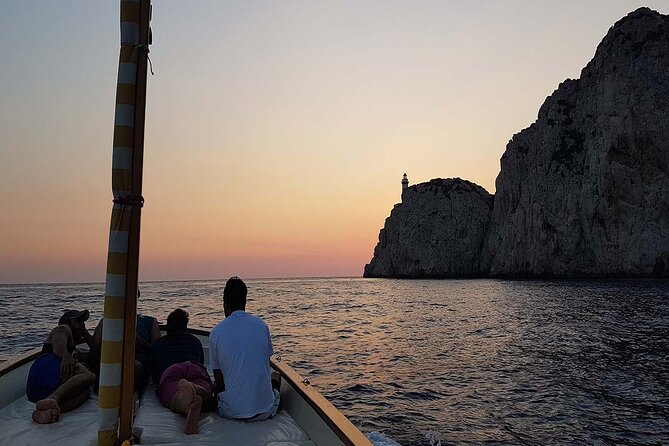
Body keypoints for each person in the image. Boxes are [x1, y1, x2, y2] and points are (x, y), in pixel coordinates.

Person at [209, 277, 280, 421]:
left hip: (231, 412)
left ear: (225, 303)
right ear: (245, 301)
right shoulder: (261, 326)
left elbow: (219, 381)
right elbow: (265, 364)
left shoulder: (216, 332)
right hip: (265, 411)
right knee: (275, 379)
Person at [151, 308, 215, 434]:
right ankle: (196, 389)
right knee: (208, 395)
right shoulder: (194, 341)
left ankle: (185, 404)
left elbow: (155, 374)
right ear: (185, 327)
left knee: (174, 394)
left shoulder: (158, 344)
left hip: (171, 370)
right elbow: (201, 363)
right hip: (193, 366)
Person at [26, 310, 97, 424]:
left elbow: (95, 355)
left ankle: (46, 411)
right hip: (45, 369)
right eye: (78, 321)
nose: (82, 324)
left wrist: (85, 334)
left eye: (83, 322)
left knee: (85, 393)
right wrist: (65, 356)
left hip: (36, 391)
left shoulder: (74, 352)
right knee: (90, 376)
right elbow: (59, 337)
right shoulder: (64, 328)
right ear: (67, 322)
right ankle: (53, 398)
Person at [90, 312, 160, 393]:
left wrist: (139, 341)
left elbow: (156, 351)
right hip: (111, 354)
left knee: (134, 367)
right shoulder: (106, 320)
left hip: (138, 355)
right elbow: (95, 348)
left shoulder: (149, 321)